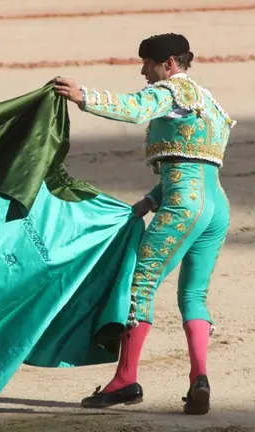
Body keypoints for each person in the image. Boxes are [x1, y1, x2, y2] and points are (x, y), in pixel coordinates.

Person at [52, 33, 235, 415]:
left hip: (185, 206)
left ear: (168, 64)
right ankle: (199, 378)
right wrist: (151, 200)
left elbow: (134, 108)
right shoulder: (209, 104)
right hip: (215, 207)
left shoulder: (172, 93)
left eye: (148, 65)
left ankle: (125, 381)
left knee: (139, 286)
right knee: (194, 295)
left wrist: (83, 96)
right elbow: (191, 161)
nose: (143, 72)